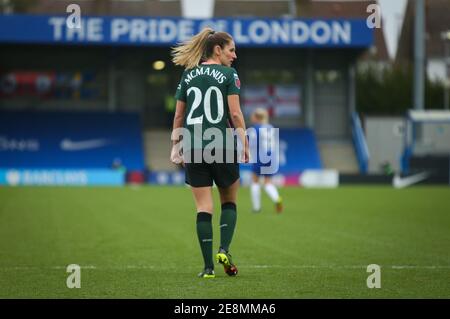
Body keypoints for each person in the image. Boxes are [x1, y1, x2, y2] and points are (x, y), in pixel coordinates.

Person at [169, 27, 249, 278]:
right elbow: (235, 114)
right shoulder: (229, 74)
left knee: (203, 207)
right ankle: (224, 249)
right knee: (229, 201)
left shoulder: (188, 74)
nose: (234, 56)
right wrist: (244, 142)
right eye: (231, 50)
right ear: (218, 50)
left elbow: (179, 115)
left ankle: (207, 269)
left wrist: (176, 145)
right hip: (221, 144)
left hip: (193, 146)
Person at [248, 108, 283, 214]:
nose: (251, 117)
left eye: (253, 116)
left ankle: (256, 208)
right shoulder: (270, 127)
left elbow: (252, 144)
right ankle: (277, 199)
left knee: (255, 181)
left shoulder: (255, 129)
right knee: (268, 182)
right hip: (271, 157)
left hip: (260, 156)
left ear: (256, 117)